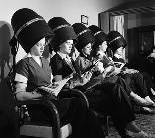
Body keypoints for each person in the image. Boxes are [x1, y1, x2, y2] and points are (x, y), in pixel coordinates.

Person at [11, 8, 105, 138]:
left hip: (52, 102)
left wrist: (56, 87)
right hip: (41, 108)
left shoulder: (45, 61)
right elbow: (19, 96)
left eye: (44, 44)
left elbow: (51, 84)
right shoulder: (23, 64)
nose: (43, 48)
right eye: (39, 45)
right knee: (78, 105)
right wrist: (37, 93)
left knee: (81, 108)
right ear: (30, 43)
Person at [49, 20, 148, 137]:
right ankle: (128, 130)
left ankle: (128, 127)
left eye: (72, 43)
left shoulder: (69, 58)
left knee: (116, 89)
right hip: (77, 94)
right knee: (113, 99)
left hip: (83, 88)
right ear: (60, 44)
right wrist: (78, 81)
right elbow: (59, 86)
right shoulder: (56, 60)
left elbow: (76, 76)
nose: (71, 45)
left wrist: (85, 76)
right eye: (68, 43)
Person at [107, 30, 155, 113]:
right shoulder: (111, 57)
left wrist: (130, 69)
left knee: (140, 74)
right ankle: (141, 105)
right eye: (120, 48)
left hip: (123, 72)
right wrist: (126, 70)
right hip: (119, 75)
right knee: (129, 77)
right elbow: (114, 69)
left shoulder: (120, 57)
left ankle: (146, 97)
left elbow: (125, 66)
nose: (122, 49)